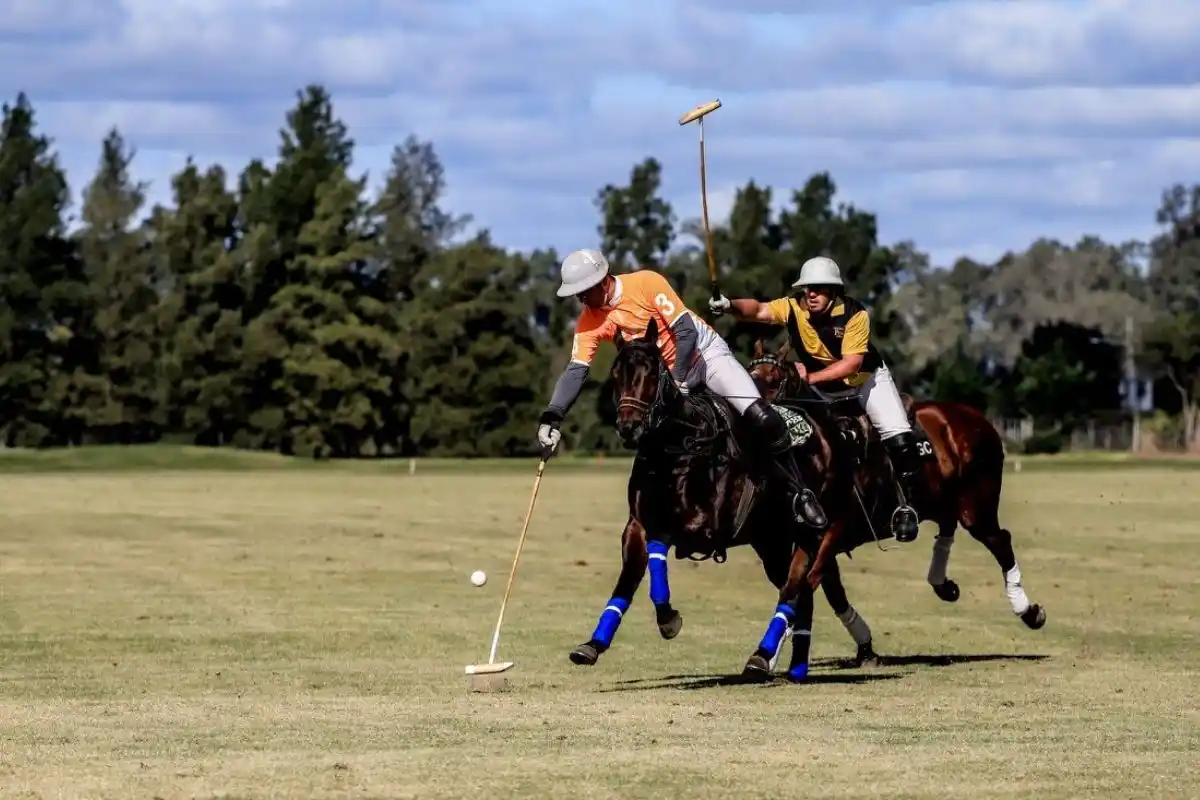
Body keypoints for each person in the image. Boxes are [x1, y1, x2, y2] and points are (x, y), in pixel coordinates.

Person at [536, 248, 827, 529]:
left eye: (584, 291)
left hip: (704, 356)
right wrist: (553, 415)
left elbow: (686, 332)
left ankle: (799, 491)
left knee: (761, 416)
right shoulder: (589, 321)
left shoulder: (646, 282)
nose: (581, 298)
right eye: (577, 293)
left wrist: (679, 377)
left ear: (603, 280)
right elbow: (576, 371)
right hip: (666, 379)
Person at [708, 256, 921, 543]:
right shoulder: (794, 306)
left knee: (898, 436)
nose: (811, 294)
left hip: (864, 381)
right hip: (822, 385)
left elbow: (851, 364)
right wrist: (729, 305)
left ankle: (906, 508)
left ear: (834, 291)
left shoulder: (855, 315)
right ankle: (799, 496)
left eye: (819, 288)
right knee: (794, 433)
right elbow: (758, 310)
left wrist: (809, 378)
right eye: (807, 288)